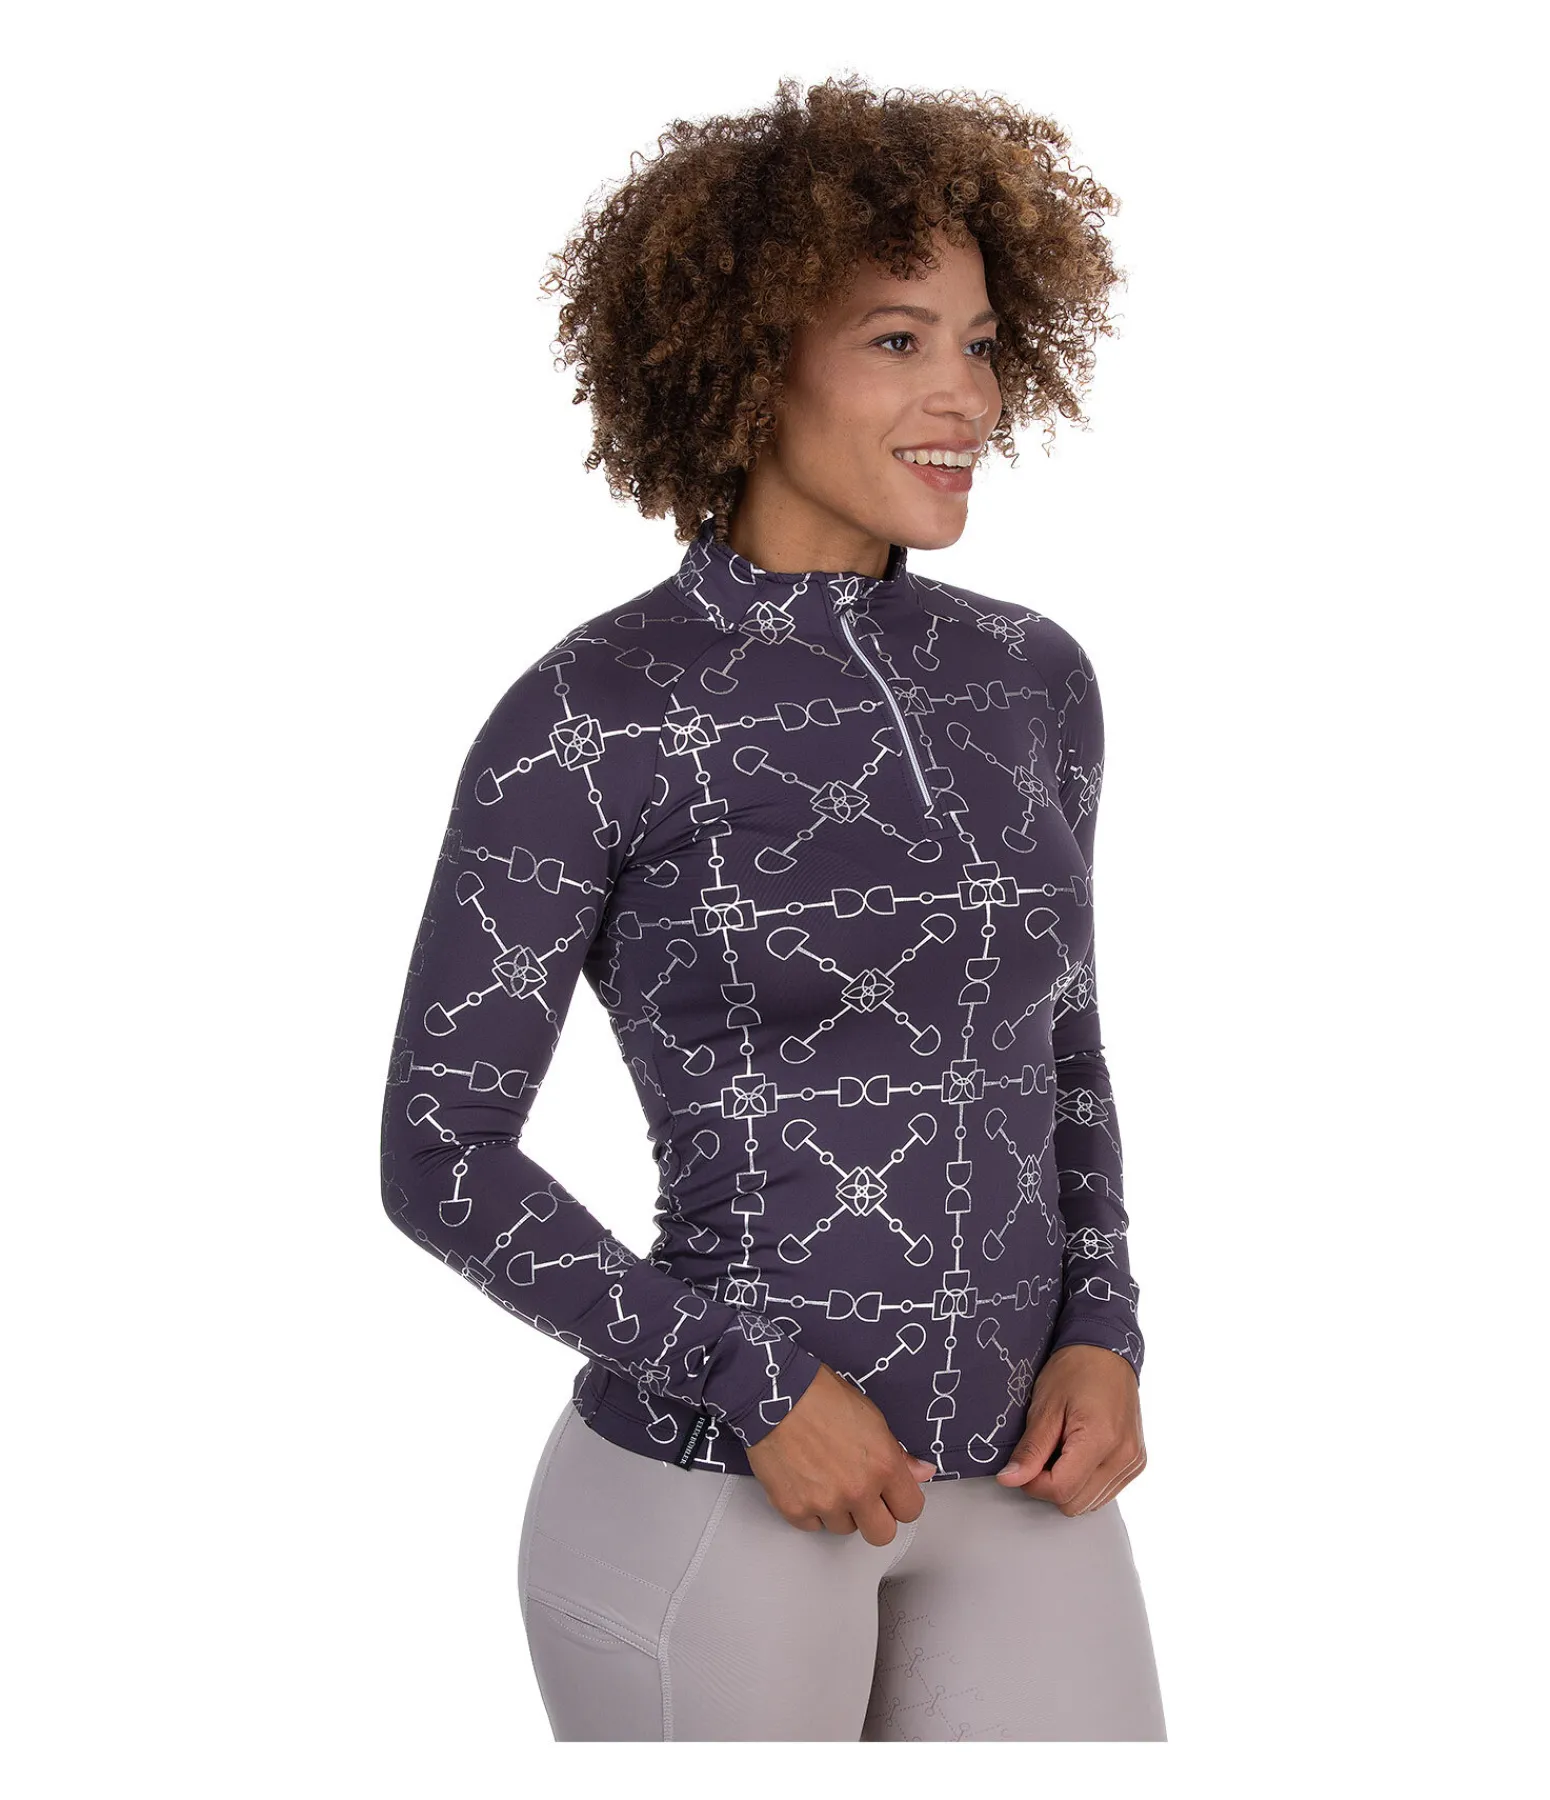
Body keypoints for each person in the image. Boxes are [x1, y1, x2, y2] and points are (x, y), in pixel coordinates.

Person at [379, 73, 1166, 1742]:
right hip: (716, 1495)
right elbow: (439, 1154)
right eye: (896, 340)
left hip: (1023, 1486)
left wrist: (1105, 1329)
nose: (963, 393)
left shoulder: (1030, 679)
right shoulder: (593, 713)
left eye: (979, 342)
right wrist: (752, 1384)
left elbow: (1063, 1056)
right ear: (747, 365)